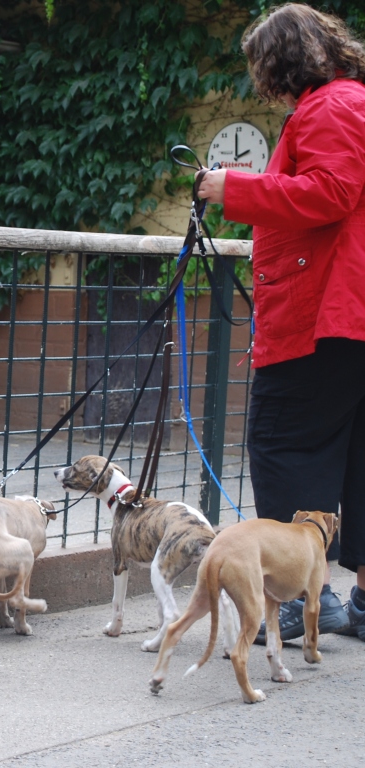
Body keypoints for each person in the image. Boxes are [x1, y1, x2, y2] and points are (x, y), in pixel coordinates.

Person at [196, 3, 365, 643]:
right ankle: (356, 606)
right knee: (355, 456)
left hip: (325, 313)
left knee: (284, 443)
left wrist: (230, 188)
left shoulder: (328, 108)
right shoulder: (356, 101)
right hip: (351, 314)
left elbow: (329, 193)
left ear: (277, 62)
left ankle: (293, 601)